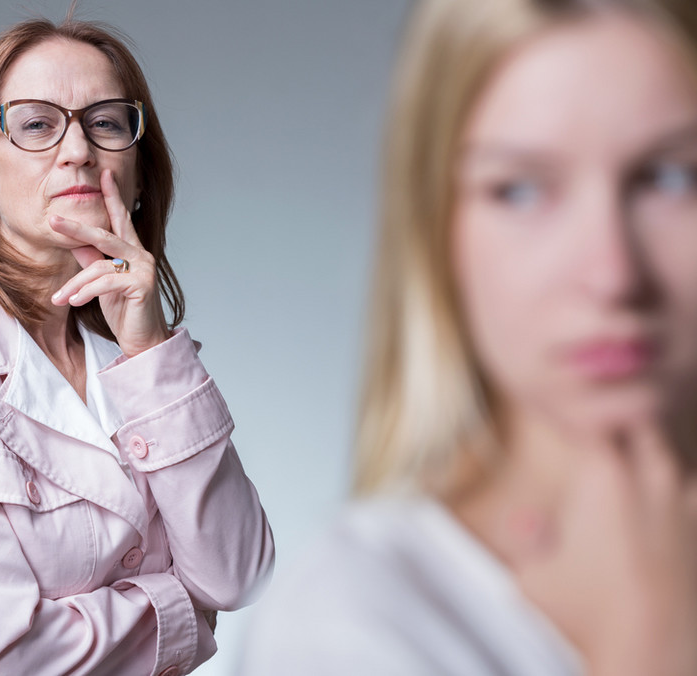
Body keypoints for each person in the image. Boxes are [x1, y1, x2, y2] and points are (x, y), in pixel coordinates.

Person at [242, 0, 697, 674]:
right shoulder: (352, 621)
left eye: (671, 177)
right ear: (434, 227)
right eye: (518, 191)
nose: (612, 275)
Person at [0, 15, 275, 676]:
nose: (78, 151)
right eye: (37, 124)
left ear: (135, 179)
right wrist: (178, 607)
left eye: (105, 123)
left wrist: (152, 349)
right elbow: (0, 661)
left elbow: (238, 573)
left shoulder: (145, 362)